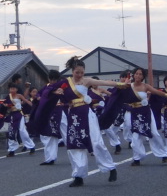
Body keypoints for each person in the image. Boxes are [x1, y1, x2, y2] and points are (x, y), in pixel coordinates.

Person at [46, 56, 125, 187]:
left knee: (96, 142)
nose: (79, 75)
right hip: (74, 115)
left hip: (87, 114)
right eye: (77, 72)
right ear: (72, 71)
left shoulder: (86, 81)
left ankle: (111, 168)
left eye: (82, 72)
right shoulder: (66, 82)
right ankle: (78, 176)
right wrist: (56, 91)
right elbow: (48, 90)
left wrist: (121, 84)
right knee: (75, 145)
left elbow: (105, 82)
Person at [122, 67, 167, 166]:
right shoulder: (129, 87)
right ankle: (137, 158)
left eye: (140, 74)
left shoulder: (146, 86)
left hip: (146, 112)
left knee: (154, 133)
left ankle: (163, 154)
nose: (138, 76)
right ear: (133, 75)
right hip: (135, 113)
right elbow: (122, 98)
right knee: (135, 136)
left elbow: (158, 92)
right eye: (136, 74)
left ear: (143, 76)